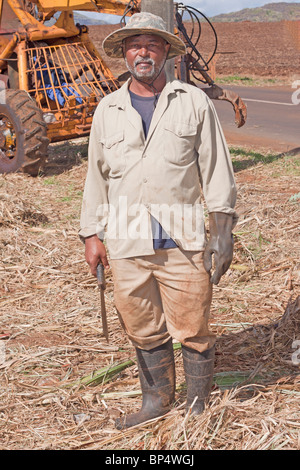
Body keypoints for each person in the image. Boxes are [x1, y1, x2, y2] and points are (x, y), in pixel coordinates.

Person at [79, 12, 238, 430]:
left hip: (181, 237)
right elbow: (96, 177)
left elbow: (216, 169)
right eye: (135, 45)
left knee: (193, 326)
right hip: (127, 240)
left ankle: (198, 405)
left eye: (151, 44)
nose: (142, 52)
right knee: (143, 327)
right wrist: (90, 235)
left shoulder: (192, 101)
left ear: (166, 51)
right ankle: (156, 402)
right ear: (125, 53)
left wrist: (223, 230)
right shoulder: (108, 109)